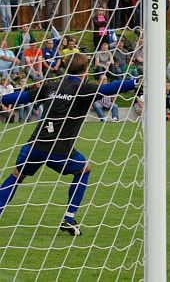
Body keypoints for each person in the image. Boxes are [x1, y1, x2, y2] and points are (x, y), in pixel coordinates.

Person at [0, 54, 137, 236]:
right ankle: (69, 218)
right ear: (86, 70)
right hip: (59, 150)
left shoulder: (51, 86)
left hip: (35, 145)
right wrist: (134, 82)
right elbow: (109, 88)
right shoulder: (84, 89)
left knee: (16, 175)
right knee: (84, 169)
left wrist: (3, 99)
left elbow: (22, 96)